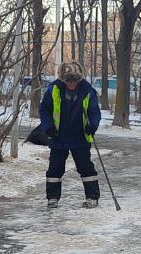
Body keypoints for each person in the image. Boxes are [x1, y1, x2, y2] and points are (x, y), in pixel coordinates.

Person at [39, 60, 101, 209]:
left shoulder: (88, 90)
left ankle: (92, 197)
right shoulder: (54, 89)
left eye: (74, 80)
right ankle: (52, 198)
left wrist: (92, 125)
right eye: (68, 80)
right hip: (58, 136)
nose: (71, 84)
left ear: (78, 79)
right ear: (63, 79)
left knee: (86, 167)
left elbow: (94, 112)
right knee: (55, 168)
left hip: (80, 136)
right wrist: (48, 127)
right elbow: (45, 110)